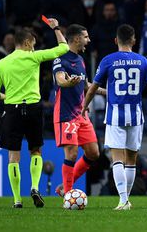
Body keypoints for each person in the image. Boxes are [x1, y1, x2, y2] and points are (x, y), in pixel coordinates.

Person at [83, 24, 147, 210]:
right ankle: (125, 199)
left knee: (117, 159)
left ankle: (123, 200)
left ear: (115, 40)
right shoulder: (144, 62)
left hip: (115, 116)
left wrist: (83, 107)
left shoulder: (108, 60)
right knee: (131, 160)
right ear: (134, 41)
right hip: (136, 116)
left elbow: (93, 89)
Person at [0, 18, 69, 208]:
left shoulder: (2, 63)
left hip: (12, 110)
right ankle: (34, 186)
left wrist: (7, 97)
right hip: (33, 108)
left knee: (13, 156)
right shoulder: (34, 57)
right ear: (26, 43)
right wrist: (55, 27)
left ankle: (17, 199)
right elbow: (64, 48)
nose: (34, 47)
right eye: (33, 44)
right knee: (36, 150)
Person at [52, 24, 106, 197]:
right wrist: (68, 82)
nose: (88, 41)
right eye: (86, 37)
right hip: (66, 114)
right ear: (76, 39)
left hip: (81, 115)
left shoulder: (80, 60)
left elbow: (86, 85)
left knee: (93, 153)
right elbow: (60, 80)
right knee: (72, 152)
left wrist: (107, 92)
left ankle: (64, 187)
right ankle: (68, 194)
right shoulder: (61, 59)